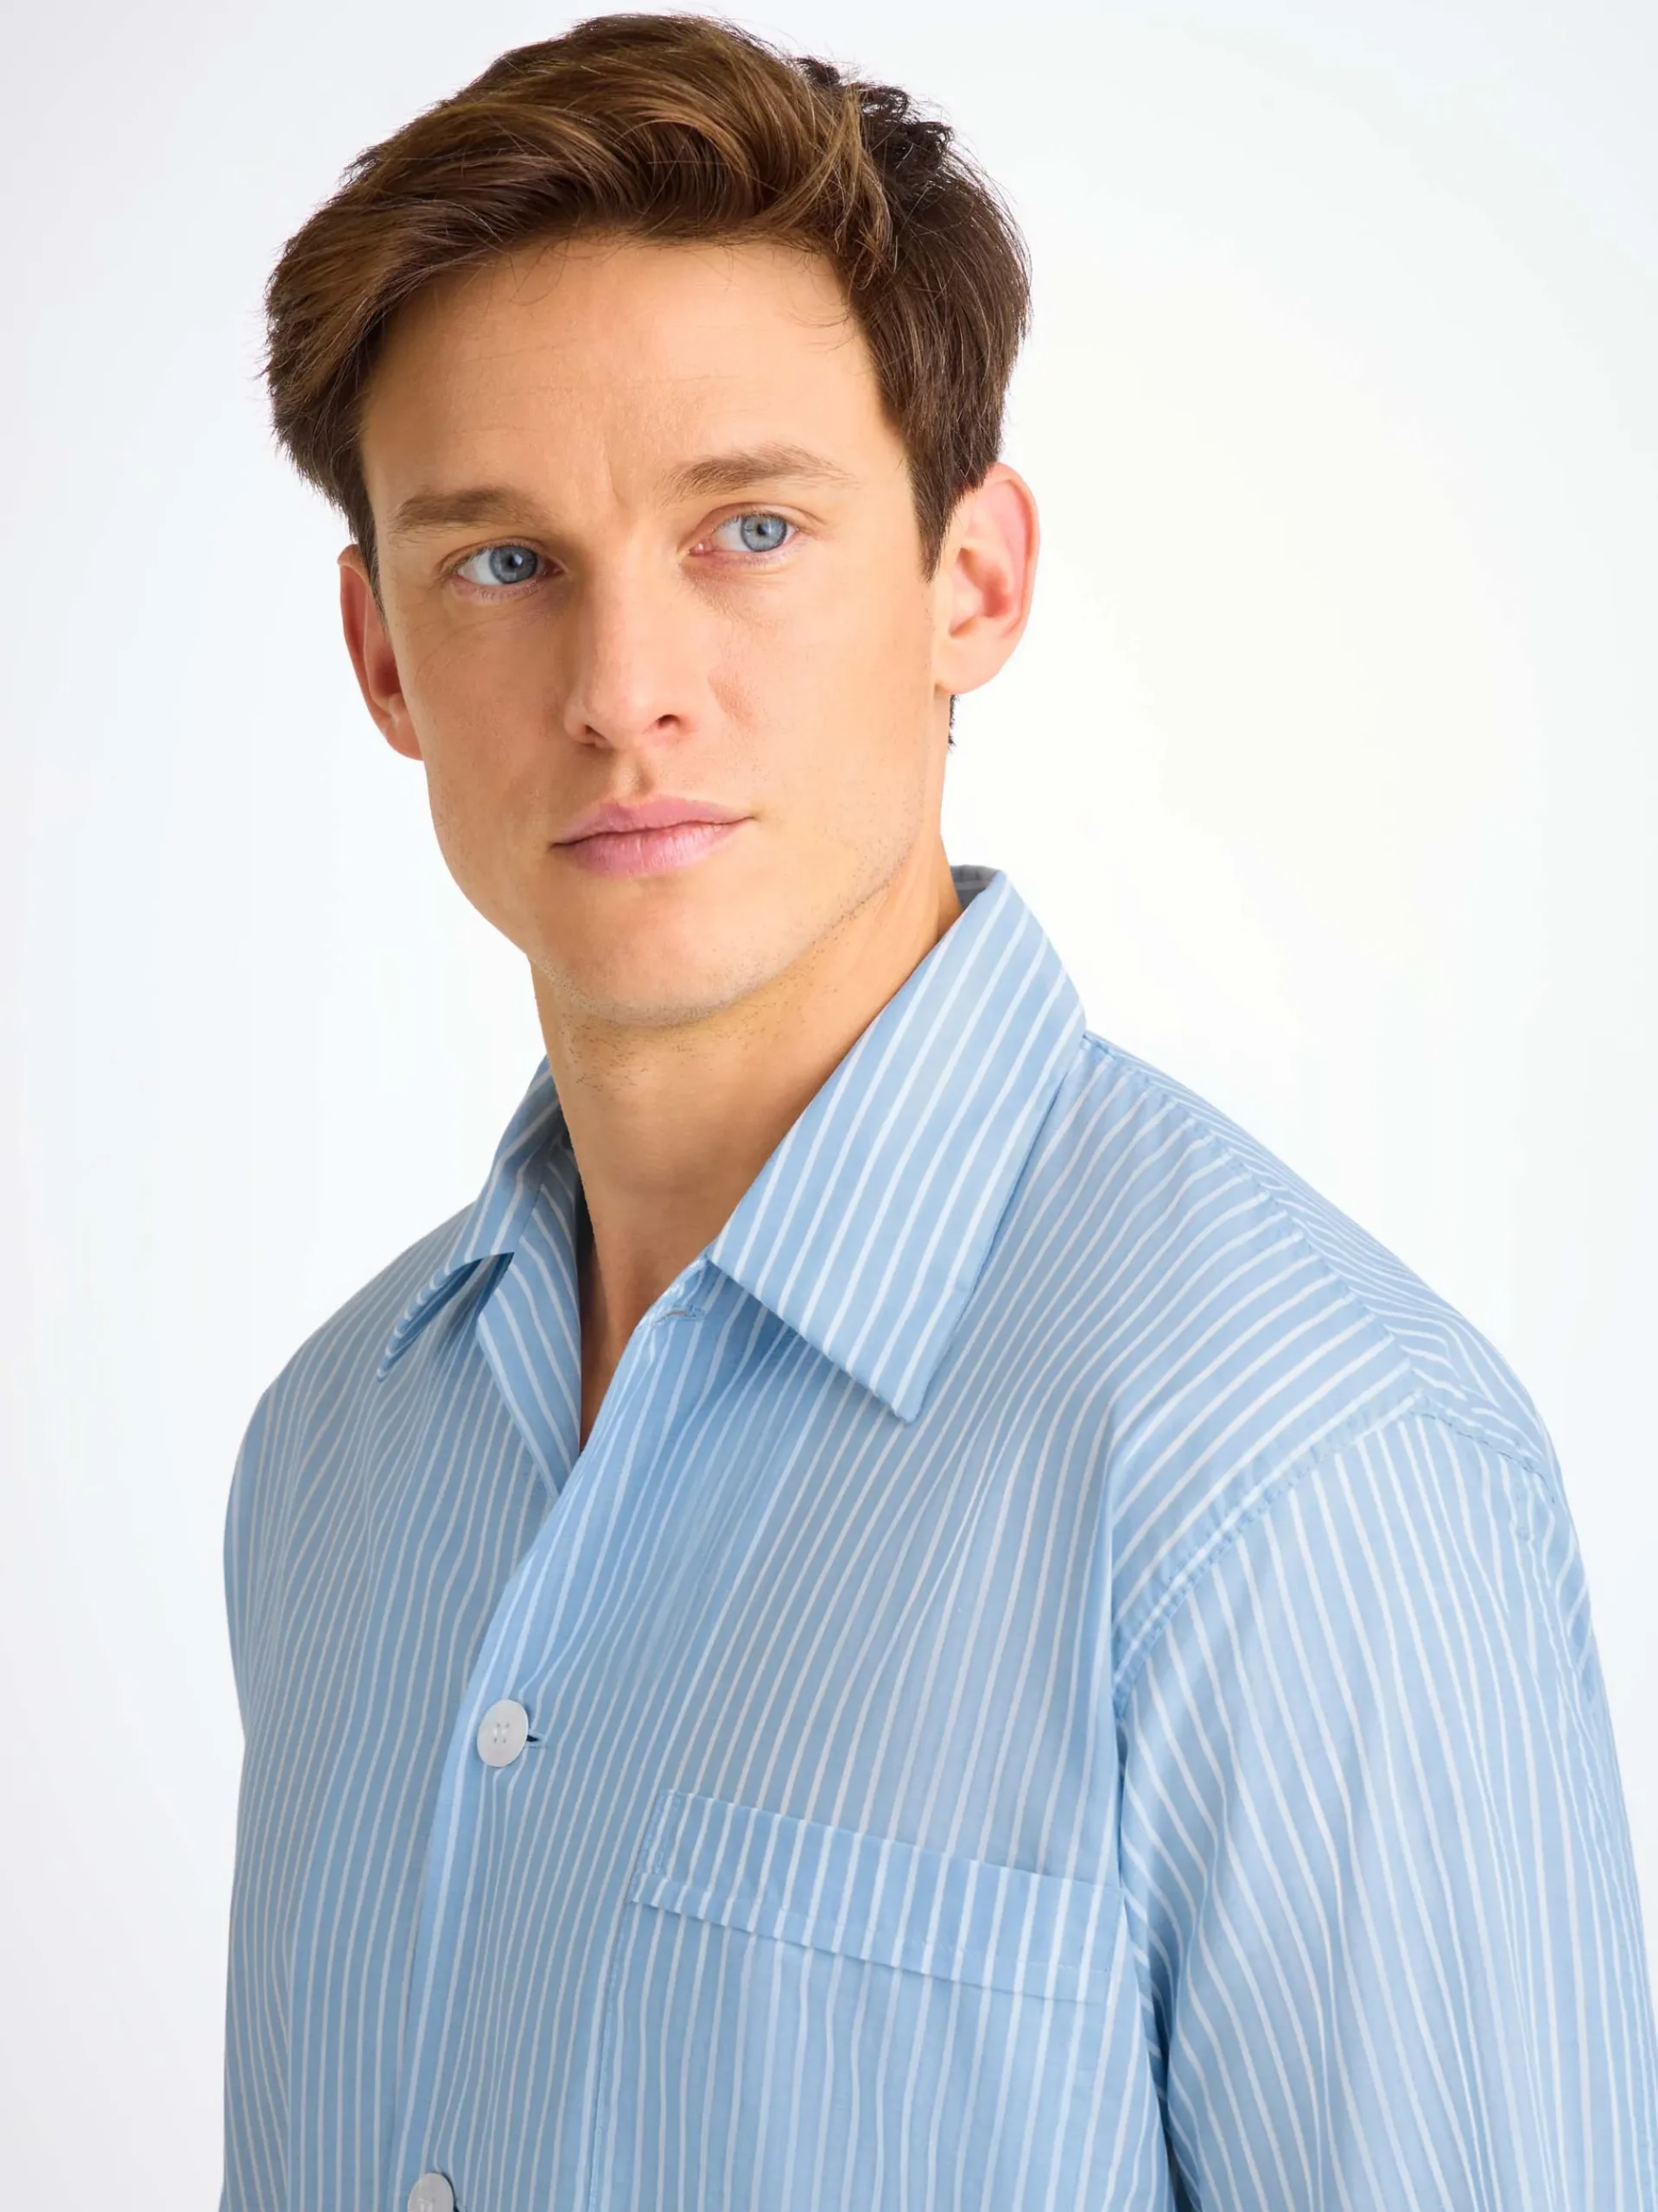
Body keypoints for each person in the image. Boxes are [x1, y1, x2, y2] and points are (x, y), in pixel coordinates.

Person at [220, 15, 1658, 2209]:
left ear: (970, 579)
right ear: (381, 654)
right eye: (502, 561)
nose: (621, 690)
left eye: (750, 527)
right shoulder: (339, 1448)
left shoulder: (1301, 1464)